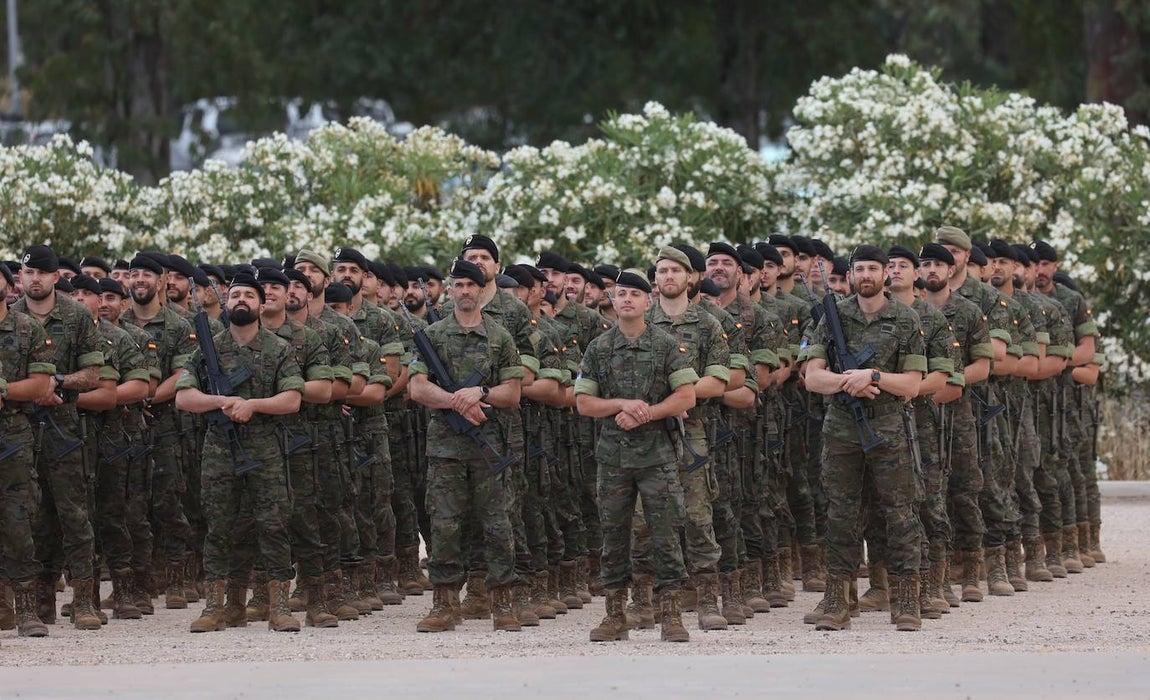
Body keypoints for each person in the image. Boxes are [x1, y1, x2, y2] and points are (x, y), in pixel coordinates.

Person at [802, 245, 926, 632]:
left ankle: (906, 599)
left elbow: (912, 384)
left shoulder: (905, 318)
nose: (866, 275)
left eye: (873, 268)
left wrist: (873, 377)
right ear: (852, 275)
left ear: (886, 273)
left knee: (899, 514)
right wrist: (848, 381)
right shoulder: (833, 315)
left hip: (888, 429)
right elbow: (812, 377)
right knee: (840, 514)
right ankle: (837, 599)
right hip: (842, 429)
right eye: (860, 269)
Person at [176, 273, 305, 633]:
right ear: (227, 303)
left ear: (261, 305)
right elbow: (184, 397)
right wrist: (221, 401)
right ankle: (217, 607)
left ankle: (279, 606)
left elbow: (292, 399)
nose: (241, 300)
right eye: (235, 295)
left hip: (266, 449)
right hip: (220, 449)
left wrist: (253, 405)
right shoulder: (209, 348)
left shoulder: (278, 349)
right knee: (219, 527)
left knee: (274, 525)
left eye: (249, 295)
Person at [575, 270, 698, 643]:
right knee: (613, 536)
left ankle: (671, 615)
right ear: (613, 301)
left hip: (657, 456)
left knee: (666, 535)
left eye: (634, 294)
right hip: (613, 458)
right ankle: (615, 615)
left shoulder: (665, 345)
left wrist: (646, 412)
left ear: (649, 301)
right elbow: (584, 403)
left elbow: (686, 397)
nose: (626, 299)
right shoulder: (599, 347)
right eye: (621, 294)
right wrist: (621, 405)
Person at [408, 259, 524, 633]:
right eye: (458, 285)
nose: (464, 291)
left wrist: (481, 392)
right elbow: (417, 387)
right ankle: (444, 604)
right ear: (451, 290)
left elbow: (513, 392)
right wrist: (456, 401)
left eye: (470, 285)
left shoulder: (499, 336)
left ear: (480, 289)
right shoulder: (434, 335)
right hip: (445, 450)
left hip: (489, 446)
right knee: (444, 525)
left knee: (497, 524)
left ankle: (502, 601)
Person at [13, 245, 112, 631]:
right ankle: (39, 603)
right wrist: (32, 390)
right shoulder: (11, 317)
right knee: (29, 518)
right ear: (21, 277)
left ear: (56, 277)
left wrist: (57, 382)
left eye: (42, 272)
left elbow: (94, 375)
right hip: (20, 430)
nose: (34, 279)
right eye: (28, 272)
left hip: (65, 430)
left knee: (74, 516)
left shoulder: (76, 315)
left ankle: (84, 600)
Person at [0, 262, 54, 637]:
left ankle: (27, 611)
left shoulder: (26, 328)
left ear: (8, 285)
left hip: (12, 437)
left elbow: (40, 385)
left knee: (18, 522)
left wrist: (3, 391)